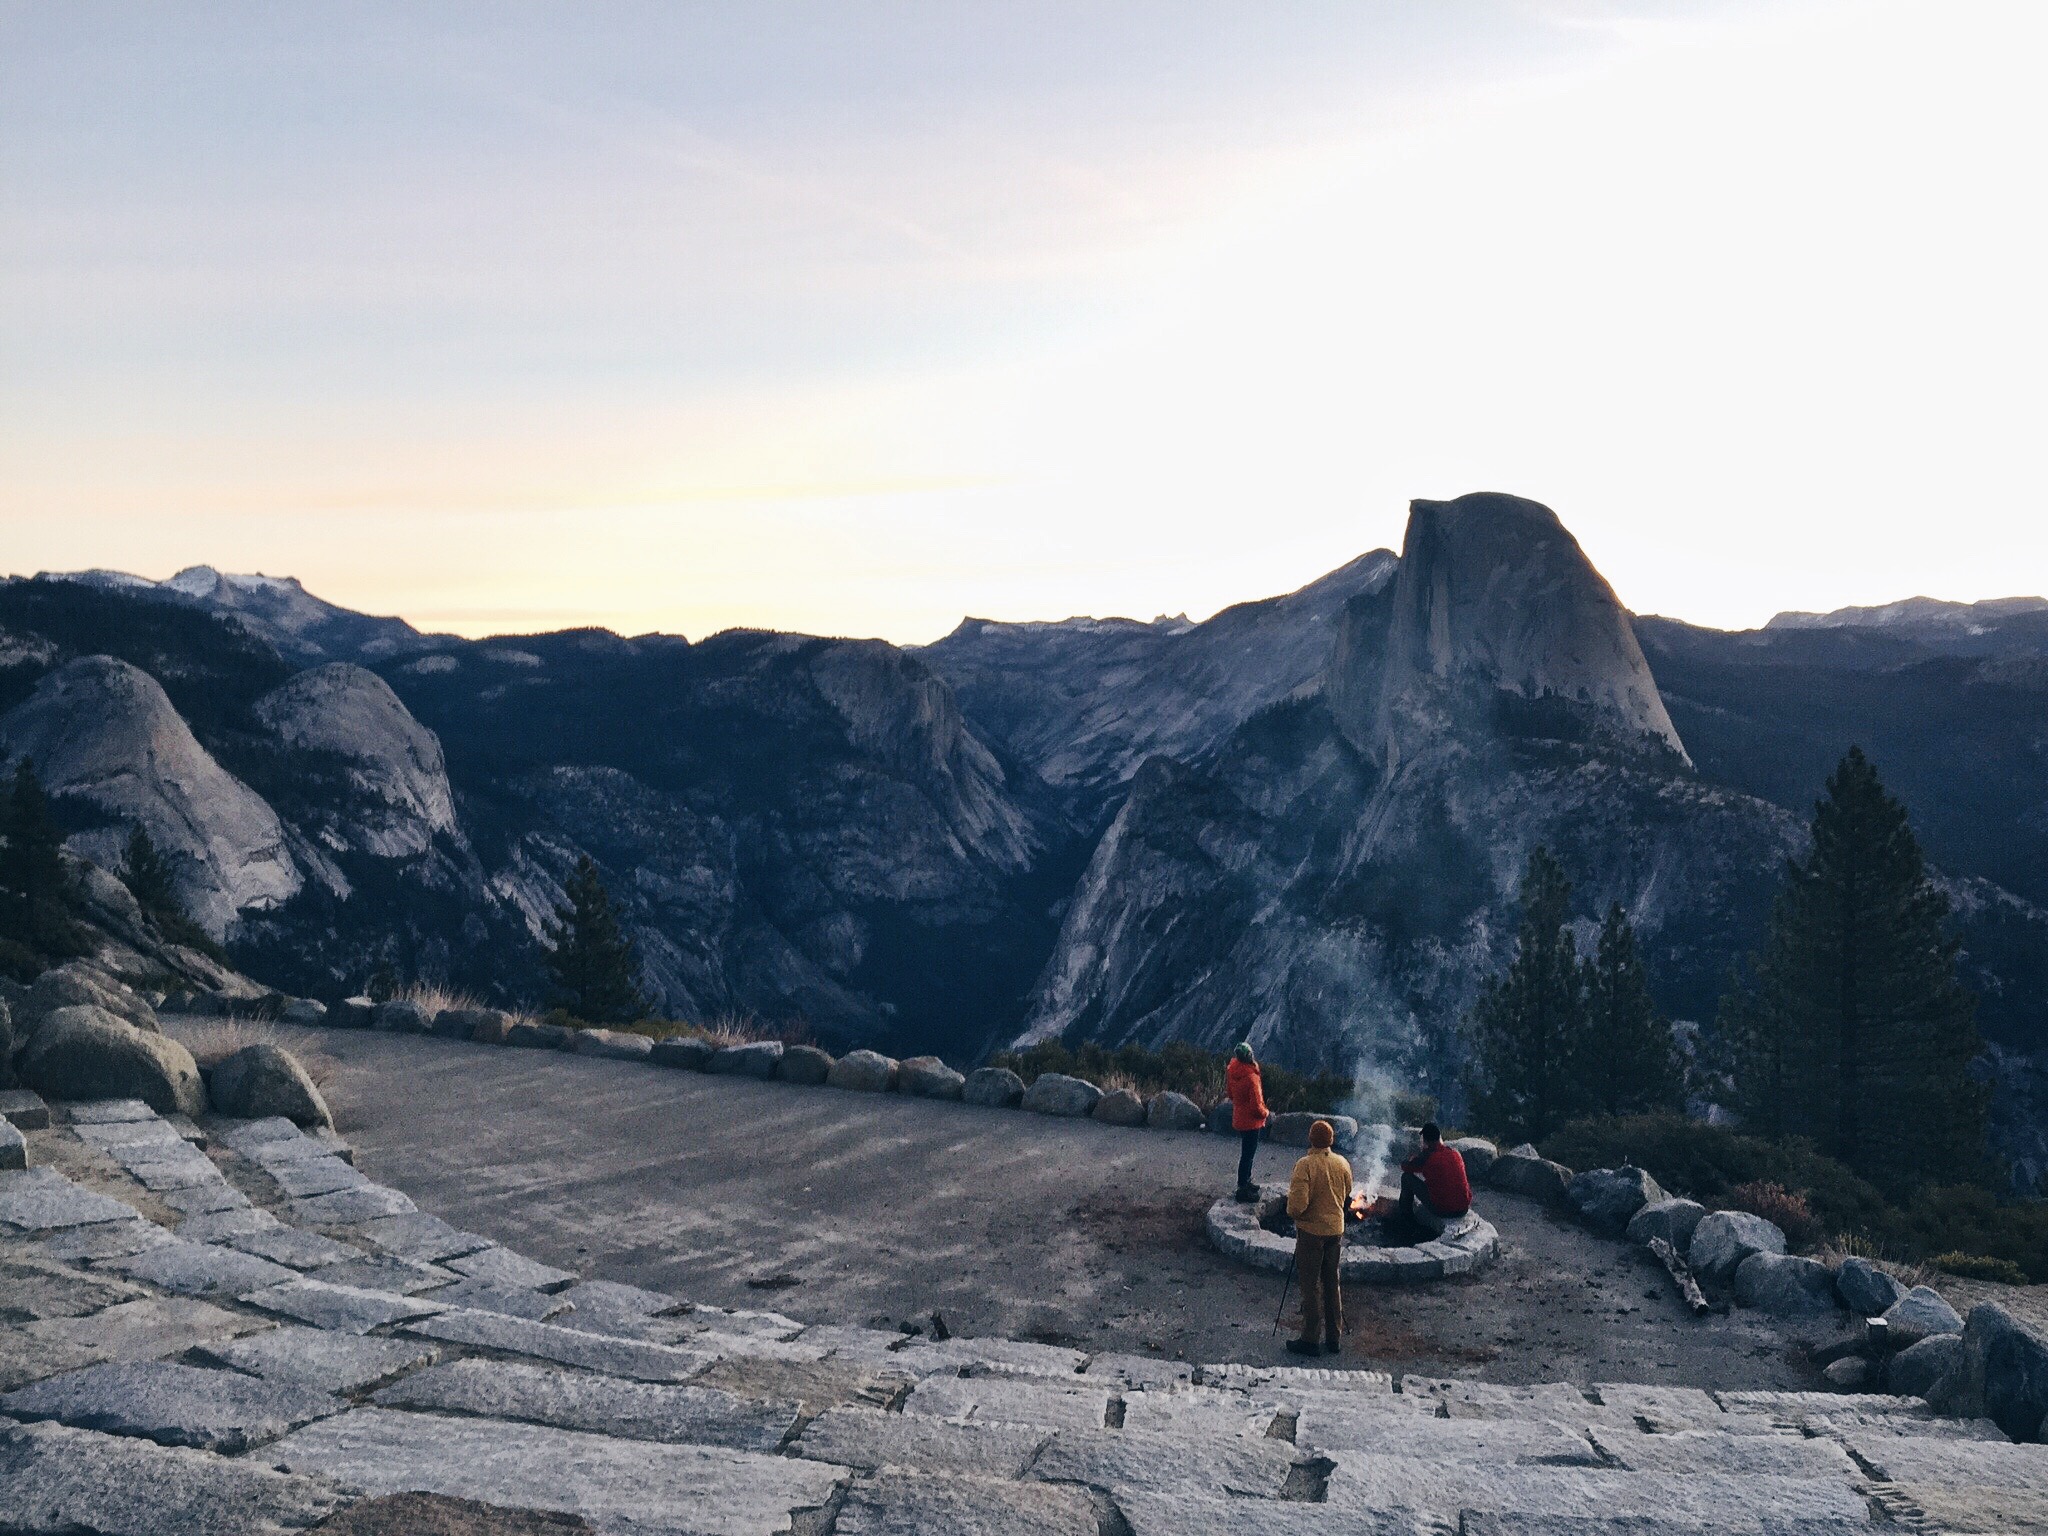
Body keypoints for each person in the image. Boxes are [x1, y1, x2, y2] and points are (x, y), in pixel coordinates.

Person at [1285, 1119, 1352, 1356]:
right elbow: (1347, 1192)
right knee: (1332, 1282)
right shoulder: (1342, 1162)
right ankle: (1334, 1337)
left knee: (1310, 1285)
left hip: (1311, 1234)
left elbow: (1297, 1206)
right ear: (1331, 1140)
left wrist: (1293, 1213)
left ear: (1311, 1139)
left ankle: (1310, 1339)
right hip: (1335, 1231)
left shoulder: (1305, 1165)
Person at [1397, 1122, 1471, 1238]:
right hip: (1463, 1208)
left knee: (1406, 1178)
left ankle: (1406, 1220)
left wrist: (1414, 1158)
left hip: (1443, 1209)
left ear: (1425, 1141)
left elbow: (1405, 1167)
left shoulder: (1428, 1156)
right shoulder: (1454, 1152)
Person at [1225, 1043, 1269, 1201]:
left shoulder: (1232, 1070)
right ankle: (1243, 1187)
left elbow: (1230, 1094)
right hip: (1251, 1122)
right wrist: (1266, 1113)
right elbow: (1256, 1106)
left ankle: (1246, 1181)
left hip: (1239, 1118)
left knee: (1246, 1153)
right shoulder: (1251, 1078)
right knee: (1248, 1155)